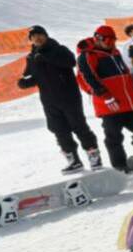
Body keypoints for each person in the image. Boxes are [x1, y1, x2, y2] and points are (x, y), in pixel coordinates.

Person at [18, 26, 101, 173]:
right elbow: (32, 77)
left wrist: (47, 58)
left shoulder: (59, 49)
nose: (37, 38)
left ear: (46, 36)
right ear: (30, 40)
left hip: (69, 97)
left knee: (79, 127)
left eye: (40, 35)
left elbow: (71, 62)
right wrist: (24, 83)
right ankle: (74, 160)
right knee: (59, 130)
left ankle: (93, 156)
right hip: (49, 100)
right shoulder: (31, 57)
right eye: (34, 36)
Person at [76, 25, 133, 170]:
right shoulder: (88, 55)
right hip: (110, 106)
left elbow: (126, 76)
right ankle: (120, 168)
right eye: (108, 41)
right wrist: (105, 96)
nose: (111, 44)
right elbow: (88, 78)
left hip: (129, 104)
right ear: (98, 38)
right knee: (114, 138)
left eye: (113, 41)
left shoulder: (115, 52)